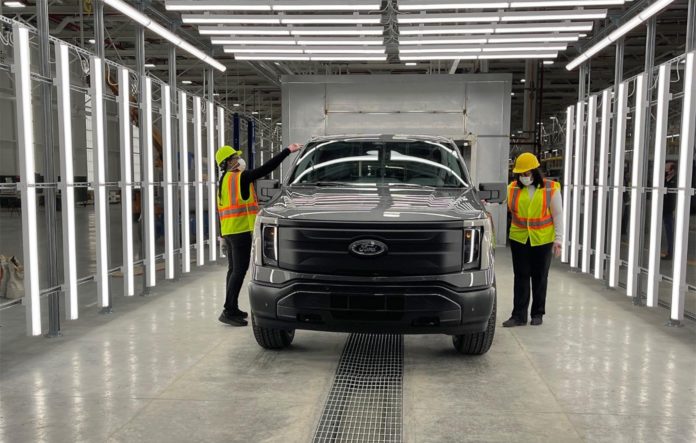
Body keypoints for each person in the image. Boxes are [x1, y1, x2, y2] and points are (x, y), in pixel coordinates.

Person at [215, 143, 302, 326]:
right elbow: (267, 168)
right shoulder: (240, 178)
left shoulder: (223, 180)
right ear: (228, 162)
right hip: (240, 232)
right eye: (235, 158)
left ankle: (231, 307)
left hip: (229, 231)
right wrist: (288, 150)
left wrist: (221, 234)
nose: (239, 160)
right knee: (239, 271)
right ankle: (228, 311)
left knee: (233, 271)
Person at [503, 152, 563, 327]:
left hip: (542, 240)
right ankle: (518, 316)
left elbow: (558, 215)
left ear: (535, 172)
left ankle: (537, 313)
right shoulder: (512, 188)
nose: (524, 177)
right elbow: (502, 203)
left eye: (527, 174)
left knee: (540, 277)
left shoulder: (551, 188)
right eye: (520, 174)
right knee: (521, 277)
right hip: (519, 239)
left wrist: (558, 240)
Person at [662, 161, 677, 260]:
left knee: (671, 232)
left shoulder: (675, 181)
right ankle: (669, 251)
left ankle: (671, 252)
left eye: (667, 169)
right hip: (663, 210)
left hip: (669, 210)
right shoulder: (666, 180)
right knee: (667, 232)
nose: (665, 170)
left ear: (672, 170)